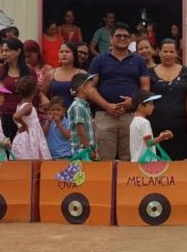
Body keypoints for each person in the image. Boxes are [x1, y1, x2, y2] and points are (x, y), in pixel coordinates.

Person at [85, 22, 150, 160]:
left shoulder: (139, 61)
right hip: (105, 116)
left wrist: (133, 101)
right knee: (104, 160)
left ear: (131, 39)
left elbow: (145, 88)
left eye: (125, 36)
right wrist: (107, 106)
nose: (122, 38)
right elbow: (90, 88)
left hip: (131, 116)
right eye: (118, 35)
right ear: (111, 39)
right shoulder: (99, 60)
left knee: (131, 159)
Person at [147, 39, 187, 160]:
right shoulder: (150, 72)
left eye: (171, 52)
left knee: (180, 165)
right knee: (157, 164)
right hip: (155, 127)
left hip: (181, 127)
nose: (168, 54)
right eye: (165, 51)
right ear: (158, 52)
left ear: (176, 53)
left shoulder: (186, 72)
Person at [0, 38, 31, 140]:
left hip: (24, 117)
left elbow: (33, 95)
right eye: (2, 51)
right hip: (3, 116)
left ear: (18, 51)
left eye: (7, 50)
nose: (4, 54)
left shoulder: (29, 71)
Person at [12, 76, 51, 160]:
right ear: (34, 90)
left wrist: (19, 125)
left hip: (25, 136)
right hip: (29, 138)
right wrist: (24, 125)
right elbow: (16, 116)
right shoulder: (28, 106)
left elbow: (14, 116)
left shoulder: (20, 104)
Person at [129, 90, 174, 162]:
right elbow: (149, 142)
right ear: (140, 106)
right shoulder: (144, 122)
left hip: (136, 161)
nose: (153, 107)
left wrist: (161, 135)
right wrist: (162, 137)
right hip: (145, 162)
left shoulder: (134, 121)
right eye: (150, 104)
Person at [42, 42, 85, 112]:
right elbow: (42, 92)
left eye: (67, 52)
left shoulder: (81, 74)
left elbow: (89, 96)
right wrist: (43, 98)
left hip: (76, 116)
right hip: (56, 117)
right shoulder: (51, 73)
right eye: (61, 52)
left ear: (74, 55)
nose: (64, 54)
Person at [68, 73, 98, 159]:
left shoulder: (85, 106)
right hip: (81, 150)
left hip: (86, 149)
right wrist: (88, 150)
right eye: (91, 87)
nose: (93, 90)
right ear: (83, 88)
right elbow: (80, 131)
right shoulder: (78, 106)